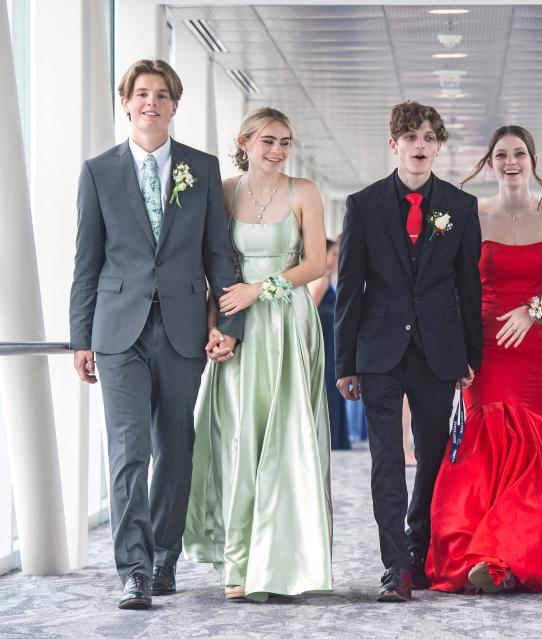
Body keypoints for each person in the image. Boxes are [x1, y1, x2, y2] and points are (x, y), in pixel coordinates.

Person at [69, 59, 243, 609]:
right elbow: (86, 261)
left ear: (174, 106)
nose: (150, 102)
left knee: (176, 447)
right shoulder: (98, 172)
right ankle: (135, 571)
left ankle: (166, 558)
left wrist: (230, 324)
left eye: (161, 94)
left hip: (183, 330)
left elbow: (220, 253)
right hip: (117, 332)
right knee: (128, 451)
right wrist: (80, 338)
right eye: (141, 93)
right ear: (126, 103)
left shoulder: (203, 168)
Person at [426, 125, 542, 594]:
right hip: (484, 347)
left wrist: (532, 313)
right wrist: (456, 351)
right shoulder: (470, 214)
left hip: (534, 349)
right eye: (501, 155)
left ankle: (510, 554)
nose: (510, 162)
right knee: (487, 442)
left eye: (518, 154)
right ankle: (487, 550)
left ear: (532, 159)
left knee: (532, 444)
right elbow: (453, 287)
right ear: (489, 163)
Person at [334, 101, 482, 602]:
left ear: (438, 146)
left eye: (428, 138)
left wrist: (470, 358)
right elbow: (349, 287)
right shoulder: (364, 204)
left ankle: (419, 549)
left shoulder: (460, 208)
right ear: (393, 144)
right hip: (378, 349)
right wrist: (345, 361)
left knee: (435, 454)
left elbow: (469, 287)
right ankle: (394, 565)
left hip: (438, 350)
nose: (419, 146)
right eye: (410, 137)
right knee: (386, 460)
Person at [183, 107, 333, 602]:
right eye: (268, 140)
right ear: (244, 141)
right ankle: (238, 563)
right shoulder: (223, 192)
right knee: (238, 438)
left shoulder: (304, 191)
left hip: (287, 321)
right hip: (237, 325)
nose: (277, 150)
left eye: (285, 142)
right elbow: (214, 265)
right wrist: (216, 326)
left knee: (287, 438)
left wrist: (260, 288)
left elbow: (313, 263)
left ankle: (286, 560)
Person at [310, 237, 351, 450]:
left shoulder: (329, 277)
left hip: (330, 333)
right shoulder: (322, 279)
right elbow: (312, 307)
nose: (336, 257)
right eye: (333, 253)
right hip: (325, 335)